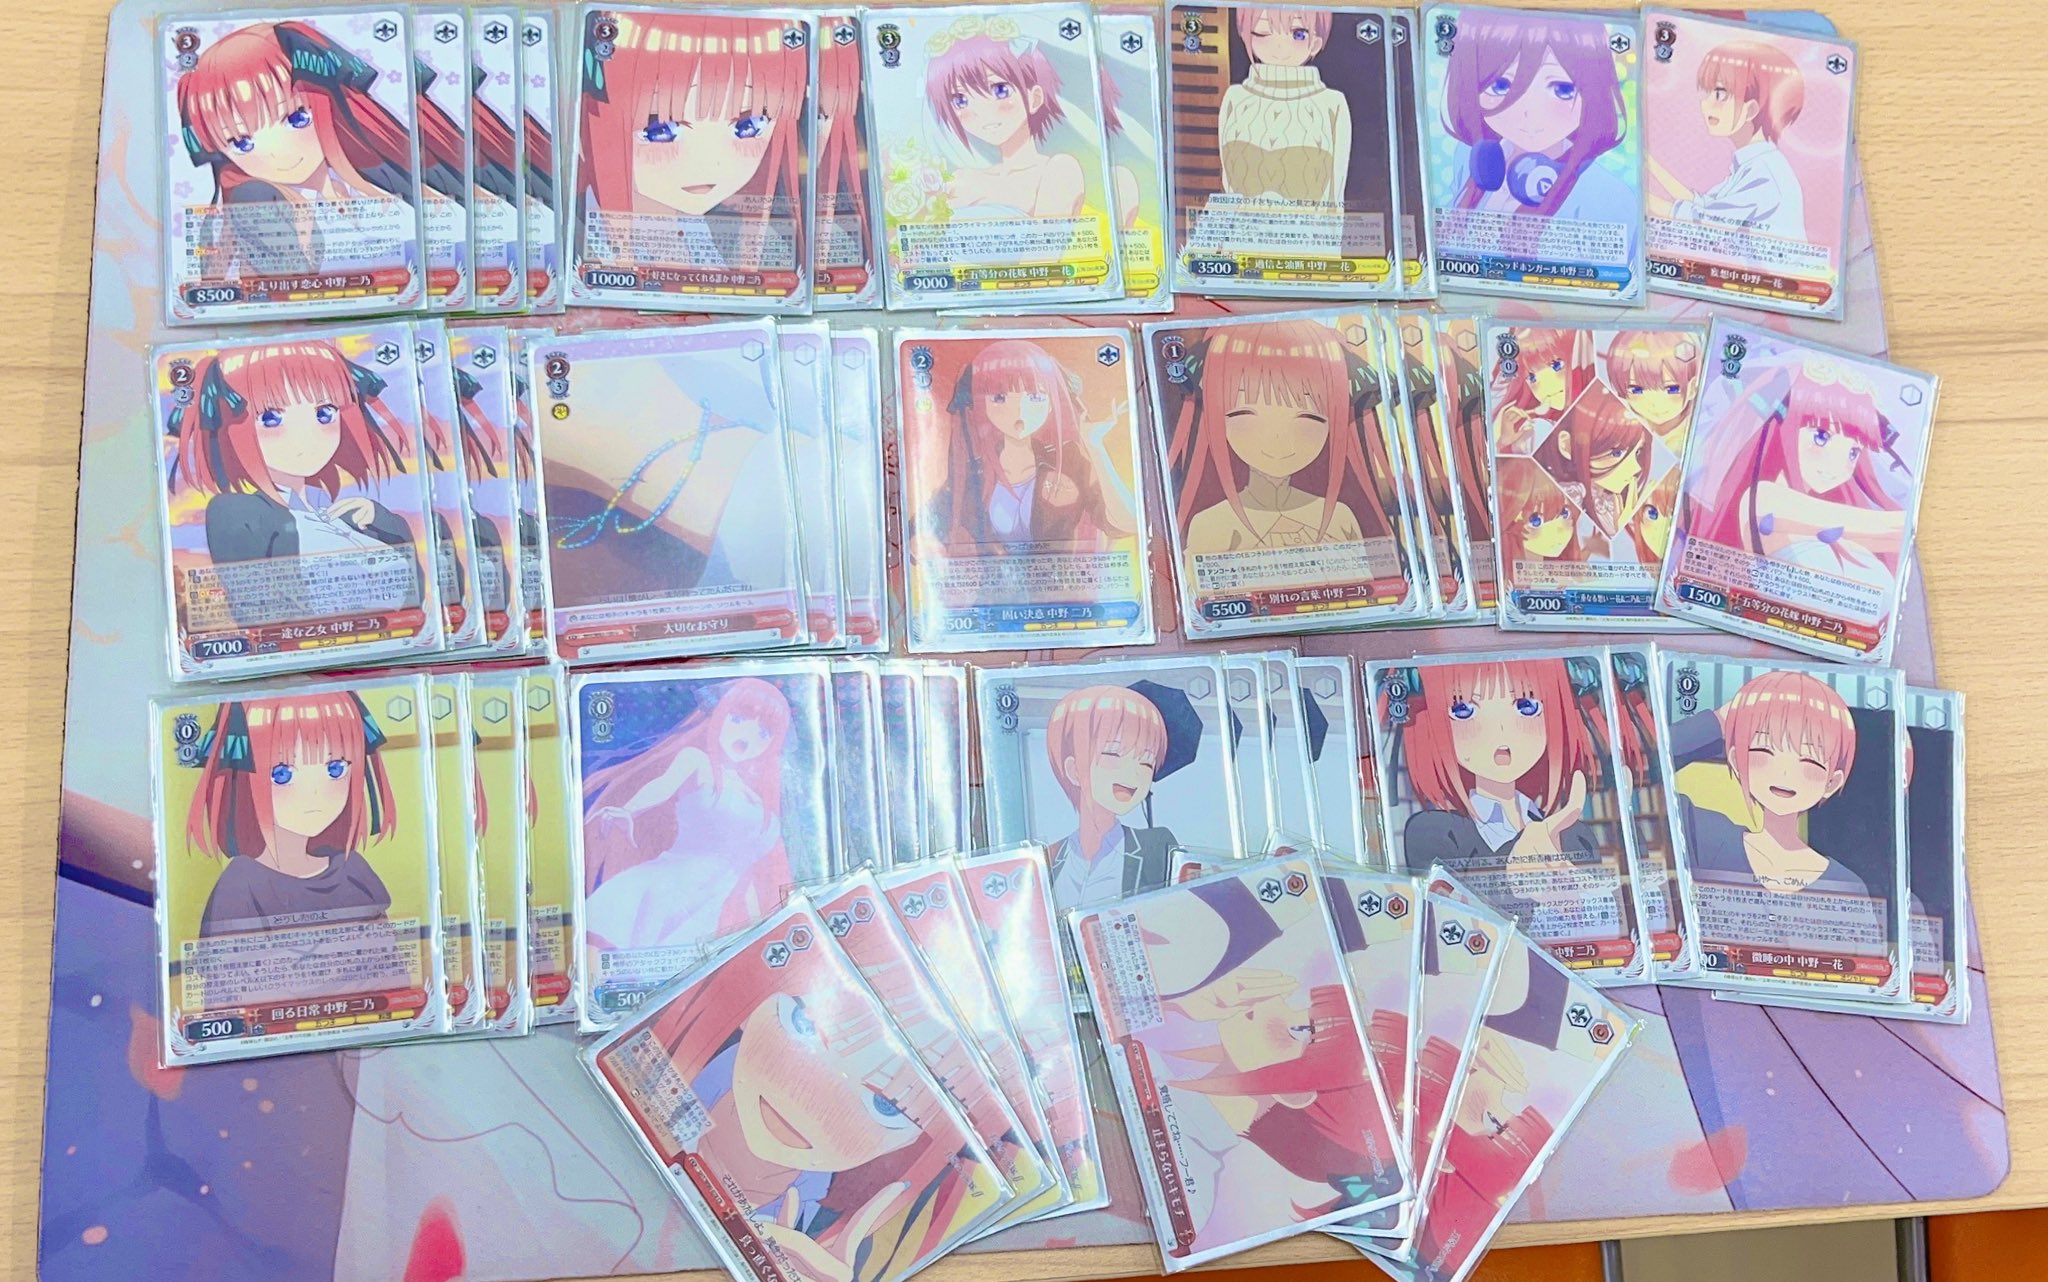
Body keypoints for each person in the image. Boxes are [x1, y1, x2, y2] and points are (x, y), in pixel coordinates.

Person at [176, 21, 418, 278]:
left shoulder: (371, 179)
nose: (276, 152)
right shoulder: (257, 202)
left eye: (297, 118)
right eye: (241, 143)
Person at [1668, 669, 1870, 896]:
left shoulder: (1846, 885)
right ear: (1737, 760)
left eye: (1809, 760)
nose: (1784, 773)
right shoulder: (1708, 836)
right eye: (1764, 750)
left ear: (1831, 782)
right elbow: (1637, 772)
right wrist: (1718, 722)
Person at [1647, 40, 1808, 240]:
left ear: (1751, 109)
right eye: (1705, 92)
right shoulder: (1751, 164)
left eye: (1719, 94)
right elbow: (1704, 204)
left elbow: (1706, 222)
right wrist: (1648, 163)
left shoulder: (1765, 173)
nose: (1705, 104)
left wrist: (1639, 198)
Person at [926, 31, 1084, 219]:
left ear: (1034, 98)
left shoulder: (1060, 168)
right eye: (960, 100)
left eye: (1000, 90)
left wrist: (991, 194)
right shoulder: (963, 177)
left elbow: (1049, 236)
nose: (981, 111)